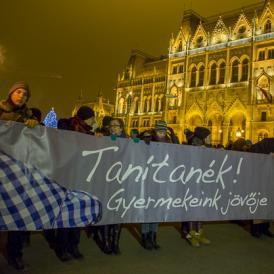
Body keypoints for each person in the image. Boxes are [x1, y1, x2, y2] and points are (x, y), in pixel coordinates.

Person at [0, 81, 38, 270]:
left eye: (25, 94)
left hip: (18, 170)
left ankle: (15, 254)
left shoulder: (29, 117)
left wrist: (34, 127)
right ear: (11, 93)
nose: (21, 96)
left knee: (17, 214)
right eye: (18, 92)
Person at [182, 127, 211, 247]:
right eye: (209, 136)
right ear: (203, 138)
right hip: (192, 184)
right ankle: (190, 234)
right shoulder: (191, 150)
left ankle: (200, 233)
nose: (211, 138)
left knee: (200, 209)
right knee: (192, 209)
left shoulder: (209, 149)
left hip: (203, 184)